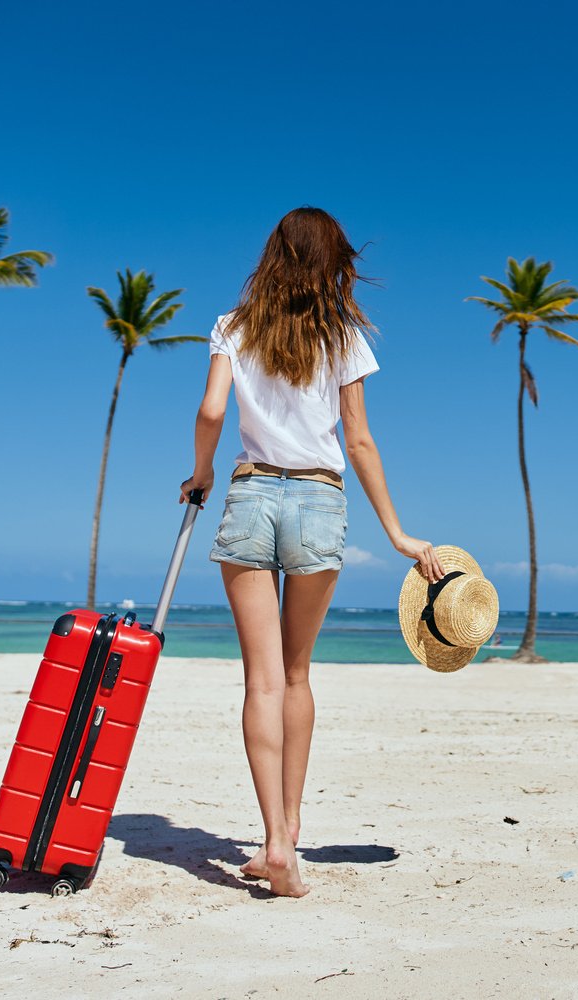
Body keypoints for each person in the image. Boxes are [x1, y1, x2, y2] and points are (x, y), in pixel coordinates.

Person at [181, 207, 444, 898]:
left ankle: (273, 841)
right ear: (332, 262)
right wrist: (397, 533)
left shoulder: (232, 328)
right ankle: (288, 835)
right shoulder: (343, 337)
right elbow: (358, 440)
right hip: (320, 505)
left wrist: (202, 470)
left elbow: (212, 412)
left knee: (260, 681)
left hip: (251, 495)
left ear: (272, 255)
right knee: (296, 677)